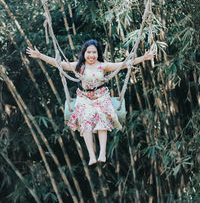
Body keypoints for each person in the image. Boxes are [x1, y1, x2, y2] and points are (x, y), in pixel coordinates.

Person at [26, 39, 156, 165]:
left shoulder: (103, 66)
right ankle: (92, 155)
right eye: (88, 52)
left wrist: (144, 58)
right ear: (84, 53)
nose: (91, 55)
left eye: (94, 52)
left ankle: (102, 153)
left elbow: (124, 64)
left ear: (98, 53)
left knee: (102, 118)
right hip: (84, 97)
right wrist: (40, 55)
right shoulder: (79, 66)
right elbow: (60, 64)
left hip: (101, 96)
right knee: (85, 120)